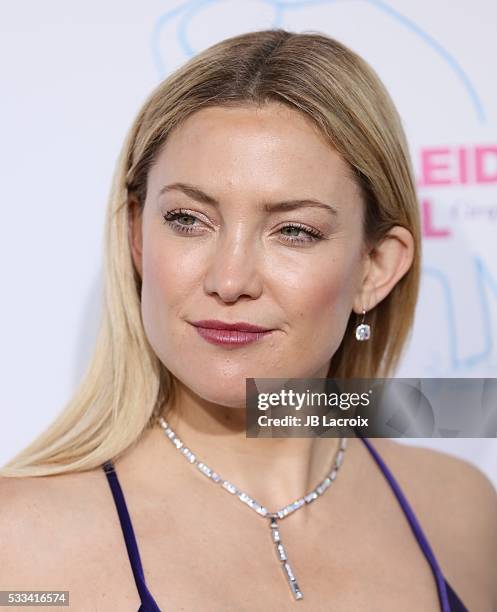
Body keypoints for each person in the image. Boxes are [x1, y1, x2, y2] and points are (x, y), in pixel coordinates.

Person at [1, 28, 496, 612]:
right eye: (188, 219)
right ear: (136, 234)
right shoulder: (21, 543)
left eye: (293, 230)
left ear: (375, 268)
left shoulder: (462, 510)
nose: (230, 280)